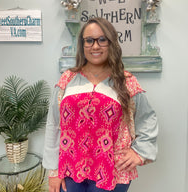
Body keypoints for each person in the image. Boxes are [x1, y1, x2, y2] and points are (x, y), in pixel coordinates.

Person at [43, 17, 158, 192]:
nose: (95, 46)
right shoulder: (68, 79)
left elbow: (147, 119)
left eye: (102, 40)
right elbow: (53, 124)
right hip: (69, 171)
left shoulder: (127, 82)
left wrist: (140, 152)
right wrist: (53, 171)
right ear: (82, 45)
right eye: (89, 40)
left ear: (111, 43)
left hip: (113, 172)